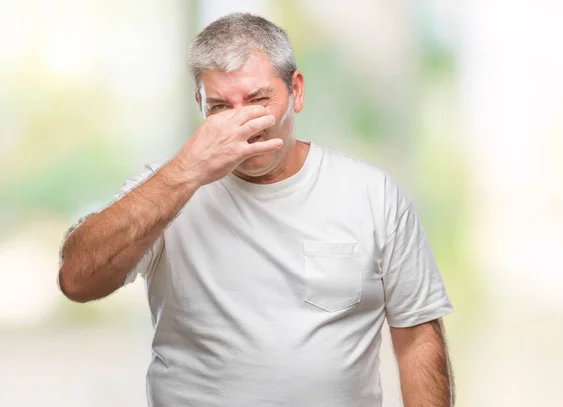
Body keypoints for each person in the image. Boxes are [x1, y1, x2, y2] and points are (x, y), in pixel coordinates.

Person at [58, 12, 455, 407]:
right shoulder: (165, 188)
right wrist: (187, 171)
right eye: (220, 107)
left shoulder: (372, 194)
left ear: (295, 91)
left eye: (259, 100)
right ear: (200, 104)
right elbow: (77, 281)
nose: (243, 122)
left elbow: (417, 337)